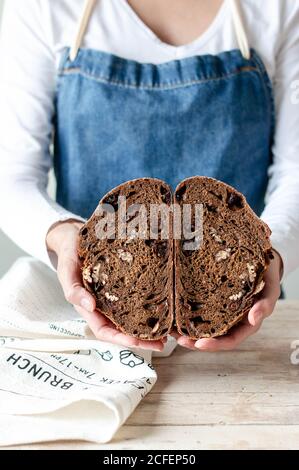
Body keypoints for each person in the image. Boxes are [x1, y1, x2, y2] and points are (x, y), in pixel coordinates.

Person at [0, 0, 299, 353]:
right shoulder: (44, 5)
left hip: (244, 320)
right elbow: (12, 177)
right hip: (85, 326)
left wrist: (272, 253)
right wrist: (65, 236)